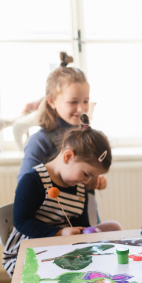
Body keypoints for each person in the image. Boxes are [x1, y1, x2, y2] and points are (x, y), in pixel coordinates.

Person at [2, 119, 121, 277]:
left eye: (92, 177)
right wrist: (59, 232)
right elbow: (22, 222)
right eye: (86, 174)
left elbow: (81, 224)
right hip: (29, 250)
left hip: (61, 247)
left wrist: (85, 234)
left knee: (114, 228)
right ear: (68, 156)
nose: (87, 181)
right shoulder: (34, 180)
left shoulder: (79, 187)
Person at [17, 52, 106, 193]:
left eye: (85, 101)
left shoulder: (87, 137)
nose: (81, 108)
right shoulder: (39, 141)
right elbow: (24, 186)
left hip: (84, 212)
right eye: (73, 102)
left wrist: (95, 178)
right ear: (52, 101)